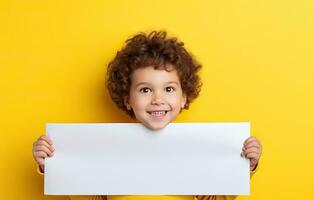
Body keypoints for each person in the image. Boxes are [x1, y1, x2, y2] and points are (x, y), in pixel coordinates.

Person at [32, 30, 262, 200]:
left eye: (169, 89)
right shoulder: (106, 150)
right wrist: (51, 163)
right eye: (145, 90)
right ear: (127, 99)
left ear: (183, 97)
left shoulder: (200, 149)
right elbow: (85, 194)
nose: (157, 99)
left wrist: (244, 164)